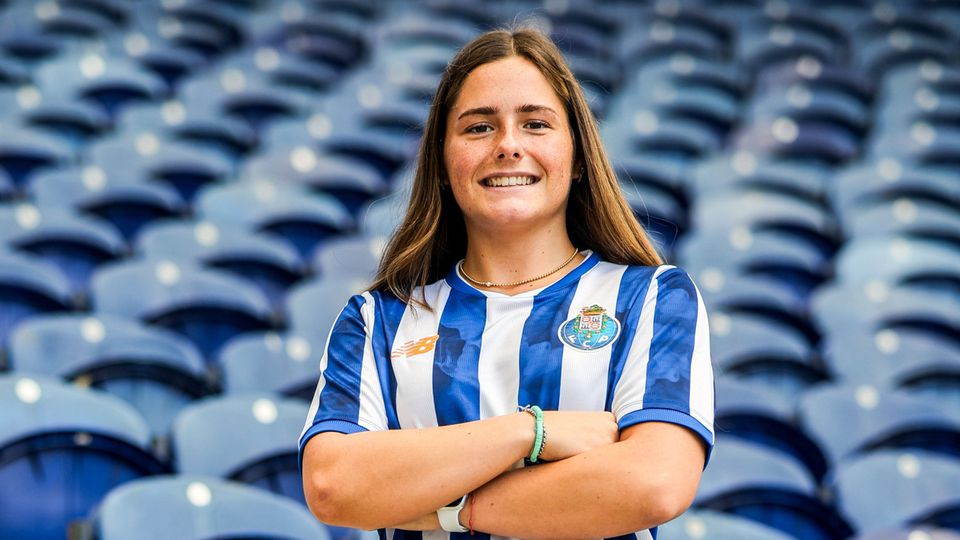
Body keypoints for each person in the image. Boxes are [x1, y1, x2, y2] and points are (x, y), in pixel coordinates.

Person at [299, 27, 714, 540]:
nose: (508, 146)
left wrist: (442, 509)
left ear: (579, 156)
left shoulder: (652, 297)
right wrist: (532, 432)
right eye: (478, 128)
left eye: (536, 124)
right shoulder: (378, 318)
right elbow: (332, 485)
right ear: (444, 163)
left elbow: (654, 484)